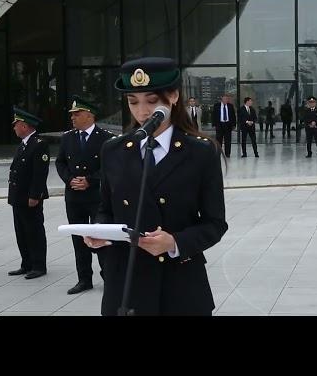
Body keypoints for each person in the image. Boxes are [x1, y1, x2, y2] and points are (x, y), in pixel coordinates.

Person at [84, 57, 228, 316]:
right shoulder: (113, 150)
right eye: (133, 102)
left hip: (179, 285)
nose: (142, 112)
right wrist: (100, 232)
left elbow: (215, 223)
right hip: (126, 284)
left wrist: (174, 242)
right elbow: (106, 208)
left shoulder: (201, 152)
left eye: (152, 101)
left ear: (173, 96)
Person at [55, 96, 116, 294]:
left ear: (89, 116)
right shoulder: (68, 137)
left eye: (77, 114)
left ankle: (109, 276)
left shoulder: (105, 138)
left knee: (100, 236)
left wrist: (90, 180)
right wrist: (69, 179)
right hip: (74, 197)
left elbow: (110, 166)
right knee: (78, 239)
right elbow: (60, 162)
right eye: (72, 115)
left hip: (97, 197)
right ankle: (84, 279)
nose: (73, 118)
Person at [7, 108, 50, 280]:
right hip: (18, 197)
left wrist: (35, 195)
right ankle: (26, 263)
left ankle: (38, 265)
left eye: (16, 125)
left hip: (30, 198)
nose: (14, 128)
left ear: (24, 126)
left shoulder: (39, 144)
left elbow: (40, 173)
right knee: (21, 231)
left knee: (34, 231)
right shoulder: (24, 144)